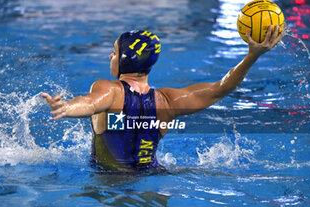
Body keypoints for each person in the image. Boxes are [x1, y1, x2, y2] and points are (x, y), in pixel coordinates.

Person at [42, 26, 283, 172]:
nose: (110, 56)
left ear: (125, 59)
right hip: (154, 177)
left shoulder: (109, 90)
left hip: (109, 185)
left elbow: (92, 102)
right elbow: (219, 89)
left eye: (114, 52)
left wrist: (66, 107)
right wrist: (252, 55)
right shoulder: (166, 102)